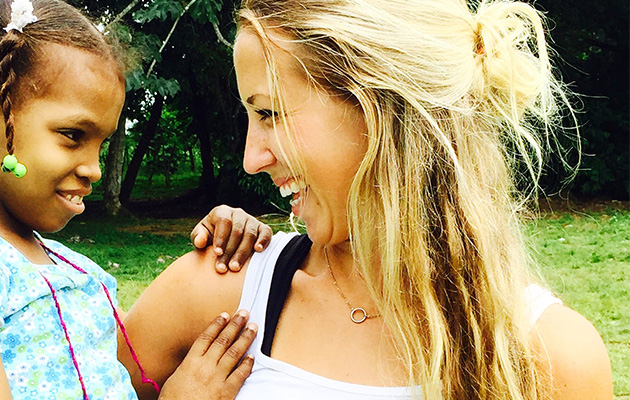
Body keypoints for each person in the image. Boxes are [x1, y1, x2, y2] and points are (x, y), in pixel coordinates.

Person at [121, 0, 613, 399]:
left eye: (270, 113)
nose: (252, 158)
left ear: (381, 111)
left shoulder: (551, 358)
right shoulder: (216, 293)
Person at [0, 0, 271, 398]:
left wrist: (227, 235)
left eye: (100, 143)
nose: (94, 168)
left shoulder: (64, 265)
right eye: (72, 136)